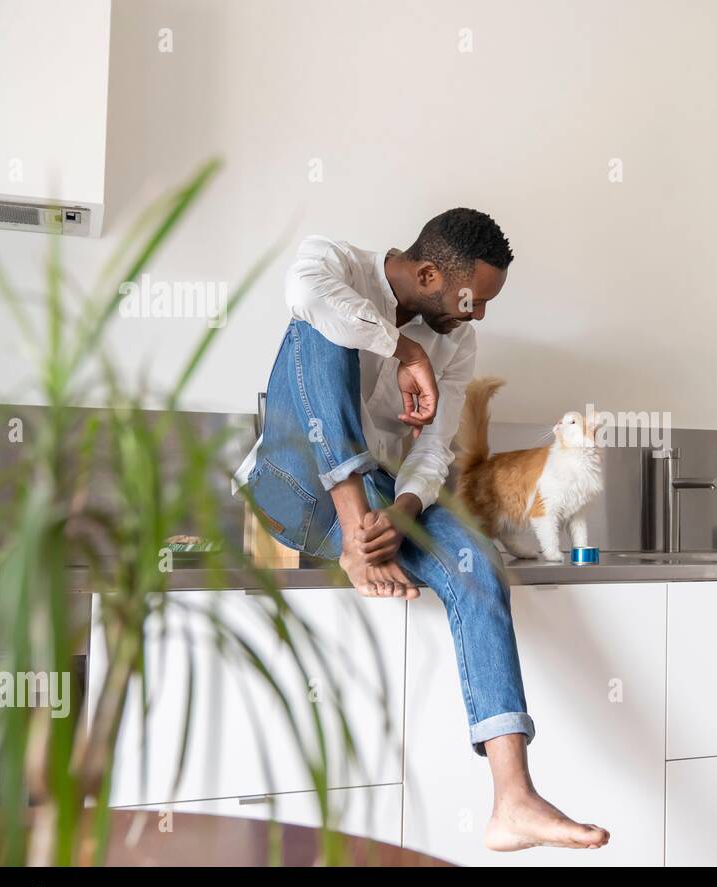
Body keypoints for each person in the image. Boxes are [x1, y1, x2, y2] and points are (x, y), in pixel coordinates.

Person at [234, 209, 608, 852]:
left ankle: (513, 797)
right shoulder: (335, 262)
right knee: (323, 329)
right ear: (429, 273)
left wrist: (405, 508)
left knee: (476, 562)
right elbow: (306, 295)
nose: (478, 317)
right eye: (473, 300)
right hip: (292, 487)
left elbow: (433, 450)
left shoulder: (457, 340)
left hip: (382, 501)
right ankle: (356, 539)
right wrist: (400, 346)